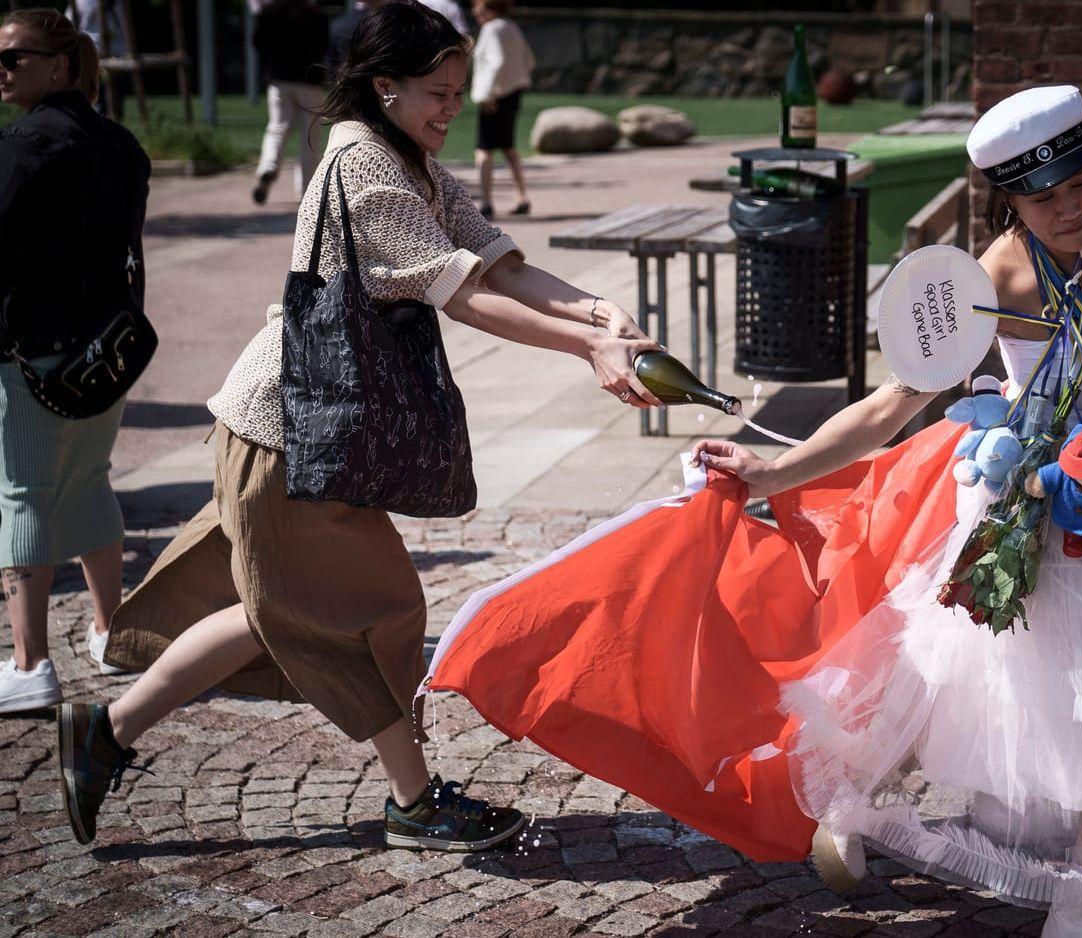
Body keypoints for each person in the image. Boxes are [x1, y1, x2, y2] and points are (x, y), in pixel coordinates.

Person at [421, 86, 1082, 937]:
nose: (1071, 207)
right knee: (1010, 681)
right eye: (1045, 198)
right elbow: (886, 408)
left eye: (1078, 183)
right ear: (1006, 200)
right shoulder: (987, 278)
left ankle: (862, 812)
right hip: (1013, 499)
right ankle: (1059, 886)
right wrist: (773, 470)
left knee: (1004, 681)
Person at [55, 0, 663, 853]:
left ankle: (105, 732)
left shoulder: (406, 156)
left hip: (293, 426)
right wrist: (587, 349)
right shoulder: (364, 166)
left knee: (281, 610)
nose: (453, 107)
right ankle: (414, 802)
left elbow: (497, 258)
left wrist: (601, 314)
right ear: (385, 86)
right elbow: (465, 295)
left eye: (458, 91)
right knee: (367, 611)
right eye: (437, 93)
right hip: (290, 428)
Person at [0, 8, 149, 712]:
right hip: (106, 348)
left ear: (57, 66)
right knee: (89, 481)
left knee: (22, 494)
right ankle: (110, 631)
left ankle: (29, 666)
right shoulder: (120, 143)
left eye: (11, 58)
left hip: (29, 348)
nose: (1, 71)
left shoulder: (24, 144)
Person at [250, 0, 329, 204]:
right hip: (309, 82)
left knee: (277, 128)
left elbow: (258, 43)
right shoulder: (316, 15)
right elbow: (323, 48)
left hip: (278, 79)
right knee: (309, 137)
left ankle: (268, 166)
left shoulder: (269, 12)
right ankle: (306, 189)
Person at [470, 0, 532, 218]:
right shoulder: (511, 26)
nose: (474, 12)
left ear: (489, 8)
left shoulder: (491, 28)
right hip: (513, 94)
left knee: (484, 150)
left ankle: (486, 202)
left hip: (493, 97)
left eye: (477, 8)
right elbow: (529, 60)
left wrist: (486, 93)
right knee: (509, 147)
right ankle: (522, 196)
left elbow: (496, 60)